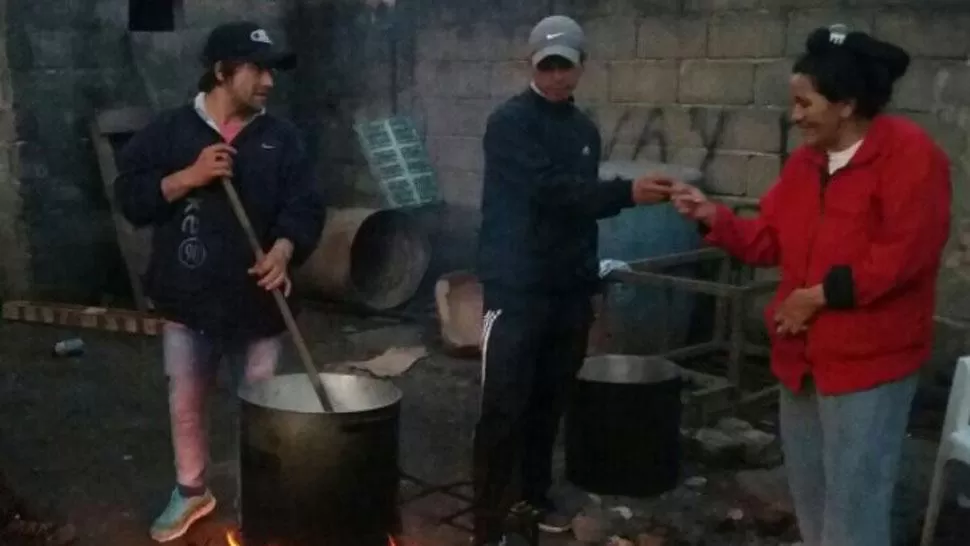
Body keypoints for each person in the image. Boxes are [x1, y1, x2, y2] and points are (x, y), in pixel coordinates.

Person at [669, 25, 951, 546]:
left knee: (856, 507)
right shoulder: (806, 163)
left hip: (868, 364)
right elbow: (768, 241)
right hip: (799, 359)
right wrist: (712, 216)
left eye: (805, 103)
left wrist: (816, 296)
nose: (794, 115)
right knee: (813, 501)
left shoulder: (910, 157)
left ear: (845, 104)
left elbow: (902, 257)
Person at [114, 21, 325, 543]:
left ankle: (261, 500)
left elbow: (305, 206)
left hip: (258, 305)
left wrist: (283, 249)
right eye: (257, 69)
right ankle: (191, 492)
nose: (269, 82)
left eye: (272, 70)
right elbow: (130, 196)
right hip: (188, 301)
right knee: (185, 401)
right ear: (221, 72)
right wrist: (188, 177)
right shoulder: (172, 132)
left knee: (260, 407)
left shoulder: (281, 138)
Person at [473, 14, 675, 546]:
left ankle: (535, 498)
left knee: (549, 402)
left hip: (567, 290)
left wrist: (589, 278)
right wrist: (625, 193)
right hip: (515, 290)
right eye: (550, 66)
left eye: (567, 66)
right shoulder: (510, 123)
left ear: (584, 66)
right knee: (503, 407)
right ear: (532, 66)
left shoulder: (584, 130)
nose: (559, 77)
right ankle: (489, 524)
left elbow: (579, 213)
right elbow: (551, 192)